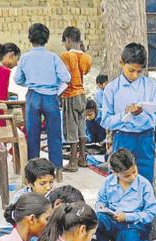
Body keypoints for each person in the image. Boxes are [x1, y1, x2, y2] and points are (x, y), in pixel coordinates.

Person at [14, 23, 71, 175]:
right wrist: (54, 83)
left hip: (33, 96)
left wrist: (31, 82)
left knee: (32, 133)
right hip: (50, 97)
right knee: (54, 135)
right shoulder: (53, 57)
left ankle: (34, 172)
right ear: (47, 39)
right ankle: (57, 170)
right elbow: (66, 77)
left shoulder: (25, 58)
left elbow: (17, 79)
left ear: (29, 38)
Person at [101, 42, 156, 184]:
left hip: (146, 138)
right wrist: (123, 115)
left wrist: (141, 114)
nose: (135, 75)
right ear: (121, 63)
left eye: (139, 71)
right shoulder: (112, 88)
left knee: (145, 179)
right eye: (131, 70)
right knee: (121, 179)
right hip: (123, 138)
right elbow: (105, 121)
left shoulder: (150, 85)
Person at [95, 148, 156, 241]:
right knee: (97, 219)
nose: (133, 177)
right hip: (112, 221)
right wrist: (104, 210)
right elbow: (100, 202)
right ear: (115, 173)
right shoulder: (109, 181)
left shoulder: (144, 185)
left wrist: (127, 217)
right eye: (127, 175)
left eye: (134, 171)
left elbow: (150, 213)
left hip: (132, 225)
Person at [60, 26, 92, 171]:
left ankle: (72, 162)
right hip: (82, 94)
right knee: (81, 127)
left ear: (67, 39)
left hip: (70, 94)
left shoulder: (66, 56)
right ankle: (82, 158)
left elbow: (65, 76)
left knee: (71, 128)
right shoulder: (87, 57)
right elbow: (84, 72)